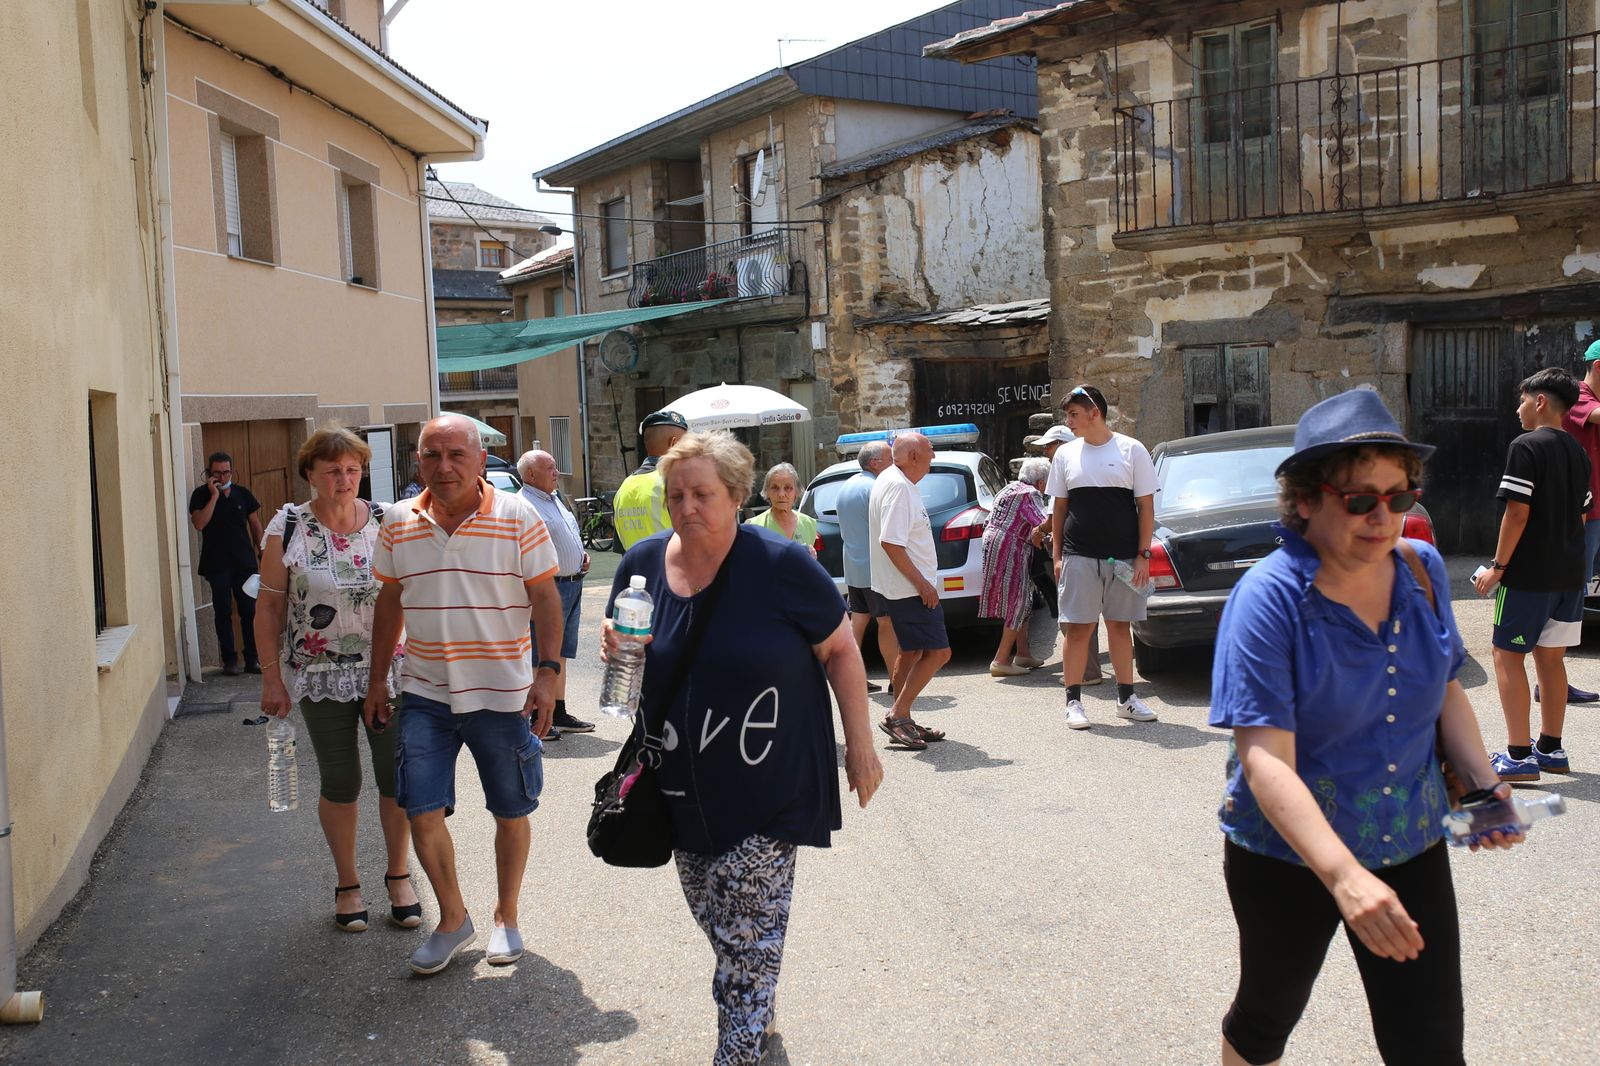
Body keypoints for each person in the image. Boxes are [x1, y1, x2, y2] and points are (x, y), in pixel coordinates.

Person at [1210, 387, 1521, 1066]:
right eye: (1359, 500)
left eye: (1399, 496)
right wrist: (1345, 878)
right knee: (1268, 1015)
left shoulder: (1421, 569)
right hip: (1288, 856)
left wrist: (1481, 786)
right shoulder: (1267, 601)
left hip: (1408, 838)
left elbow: (1443, 693)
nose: (1383, 517)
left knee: (1431, 1044)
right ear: (1304, 501)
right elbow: (1265, 761)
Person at [601, 431, 883, 1064]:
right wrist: (617, 650)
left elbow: (840, 648)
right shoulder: (641, 565)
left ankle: (742, 1041)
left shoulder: (781, 564)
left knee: (743, 945)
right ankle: (758, 990)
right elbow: (637, 657)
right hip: (679, 782)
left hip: (768, 781)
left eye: (702, 494)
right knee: (717, 918)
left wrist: (859, 747)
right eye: (676, 495)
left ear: (734, 496)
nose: (687, 507)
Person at [363, 415, 564, 975]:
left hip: (504, 696)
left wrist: (547, 673)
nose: (444, 465)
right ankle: (453, 920)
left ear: (480, 461)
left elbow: (545, 598)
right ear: (419, 462)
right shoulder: (399, 521)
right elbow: (389, 603)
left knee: (510, 809)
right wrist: (379, 679)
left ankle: (506, 916)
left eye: (457, 454)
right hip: (425, 693)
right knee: (420, 808)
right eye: (432, 455)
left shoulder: (518, 515)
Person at [253, 426, 421, 933]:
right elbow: (269, 607)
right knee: (342, 780)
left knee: (396, 779)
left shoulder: (389, 520)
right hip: (319, 672)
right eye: (333, 471)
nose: (345, 479)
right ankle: (348, 884)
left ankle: (399, 875)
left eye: (352, 469)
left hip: (387, 672)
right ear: (311, 474)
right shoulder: (288, 527)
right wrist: (270, 679)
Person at [1472, 367, 1591, 783]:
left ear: (1540, 401)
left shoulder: (1525, 446)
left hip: (1528, 575)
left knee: (1507, 655)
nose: (1518, 408)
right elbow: (1582, 512)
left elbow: (1517, 511)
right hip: (1570, 573)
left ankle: (1519, 757)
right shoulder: (1579, 452)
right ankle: (1551, 749)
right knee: (1551, 659)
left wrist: (1498, 567)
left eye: (1522, 400)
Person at [1047, 385, 1158, 729]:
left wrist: (1143, 555)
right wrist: (1057, 556)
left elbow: (1146, 507)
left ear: (1094, 412)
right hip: (1078, 555)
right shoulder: (1066, 455)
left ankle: (1126, 699)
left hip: (1124, 557)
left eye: (1073, 414)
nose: (1069, 422)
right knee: (1077, 631)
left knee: (1120, 628)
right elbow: (1059, 508)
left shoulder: (1133, 450)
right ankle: (1073, 703)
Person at [869, 432, 952, 750]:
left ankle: (905, 718)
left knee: (911, 652)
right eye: (930, 449)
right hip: (909, 589)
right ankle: (898, 714)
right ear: (914, 456)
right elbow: (890, 542)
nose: (933, 455)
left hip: (899, 586)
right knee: (940, 653)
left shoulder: (893, 480)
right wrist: (922, 585)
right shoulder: (900, 487)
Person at [516, 449, 595, 741]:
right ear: (531, 475)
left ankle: (558, 712)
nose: (556, 472)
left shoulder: (554, 499)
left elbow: (566, 535)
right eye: (549, 467)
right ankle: (539, 716)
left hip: (572, 582)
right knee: (542, 651)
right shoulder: (524, 505)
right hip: (549, 587)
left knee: (561, 651)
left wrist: (580, 556)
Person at [1029, 425, 1102, 683]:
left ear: (1061, 444)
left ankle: (1086, 671)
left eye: (1049, 446)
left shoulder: (1065, 472)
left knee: (1075, 614)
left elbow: (1053, 517)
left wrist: (1039, 532)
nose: (1047, 452)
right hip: (1089, 550)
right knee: (1088, 613)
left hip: (1075, 552)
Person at [189, 451, 264, 675]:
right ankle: (229, 660)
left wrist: (262, 552)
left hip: (244, 563)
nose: (222, 477)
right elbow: (199, 524)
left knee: (249, 611)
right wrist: (214, 496)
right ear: (208, 474)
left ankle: (252, 659)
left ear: (232, 471)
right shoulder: (200, 495)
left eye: (226, 472)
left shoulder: (243, 494)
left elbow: (255, 525)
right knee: (222, 611)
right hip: (217, 564)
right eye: (217, 473)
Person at [1555, 339, 1600, 704]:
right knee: (1569, 597)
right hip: (1583, 515)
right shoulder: (1578, 398)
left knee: (1577, 595)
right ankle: (1552, 681)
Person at [835, 441, 899, 692]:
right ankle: (896, 678)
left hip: (853, 566)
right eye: (889, 459)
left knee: (858, 621)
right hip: (876, 568)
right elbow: (888, 530)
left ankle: (851, 677)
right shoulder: (876, 488)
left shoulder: (846, 487)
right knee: (887, 622)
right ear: (875, 463)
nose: (893, 464)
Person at [982, 457, 1050, 676]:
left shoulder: (1010, 488)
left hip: (996, 543)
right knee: (1018, 601)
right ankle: (1001, 660)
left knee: (1022, 598)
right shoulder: (1030, 494)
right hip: (1009, 547)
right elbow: (1042, 523)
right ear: (1040, 483)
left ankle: (1023, 654)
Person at [613, 409, 689, 550]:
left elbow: (621, 548)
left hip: (635, 569)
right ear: (674, 444)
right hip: (673, 569)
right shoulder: (675, 482)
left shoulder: (623, 487)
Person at [745, 462, 817, 552]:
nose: (781, 494)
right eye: (775, 488)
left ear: (797, 491)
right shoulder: (754, 526)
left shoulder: (809, 524)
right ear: (767, 492)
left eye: (787, 488)